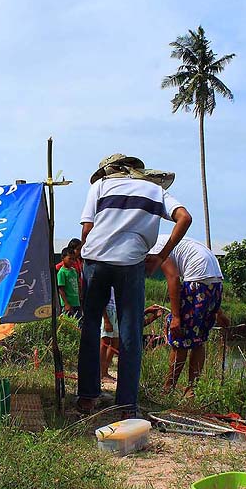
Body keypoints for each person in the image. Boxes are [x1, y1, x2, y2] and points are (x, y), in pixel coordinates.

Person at [77, 154, 192, 415]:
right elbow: (184, 217)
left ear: (109, 171)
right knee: (130, 332)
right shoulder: (155, 190)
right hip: (131, 262)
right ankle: (127, 405)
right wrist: (162, 256)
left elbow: (86, 231)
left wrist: (88, 257)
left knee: (91, 326)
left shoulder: (100, 187)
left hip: (96, 259)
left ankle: (87, 398)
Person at [149, 234, 224, 394]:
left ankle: (168, 389)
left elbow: (174, 278)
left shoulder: (156, 248)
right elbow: (207, 280)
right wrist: (217, 309)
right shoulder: (171, 241)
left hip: (196, 283)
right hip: (215, 284)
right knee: (198, 340)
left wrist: (176, 317)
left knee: (179, 338)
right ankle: (191, 389)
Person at [57, 247, 82, 320]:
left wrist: (80, 296)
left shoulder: (74, 271)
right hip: (68, 304)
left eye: (73, 259)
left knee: (78, 323)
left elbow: (78, 283)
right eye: (69, 259)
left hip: (76, 303)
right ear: (63, 258)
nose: (72, 261)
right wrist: (66, 304)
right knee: (69, 324)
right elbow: (61, 289)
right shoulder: (62, 272)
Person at [100, 288, 119, 382]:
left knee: (115, 343)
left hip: (116, 311)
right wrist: (106, 319)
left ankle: (105, 371)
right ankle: (101, 373)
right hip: (108, 311)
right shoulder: (108, 280)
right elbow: (101, 299)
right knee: (105, 343)